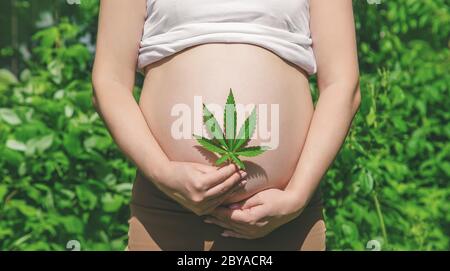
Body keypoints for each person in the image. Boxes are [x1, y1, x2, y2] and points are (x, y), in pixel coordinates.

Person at [91, 0, 361, 251]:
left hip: (285, 218)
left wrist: (297, 196)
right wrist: (163, 174)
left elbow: (342, 84)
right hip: (168, 213)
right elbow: (109, 81)